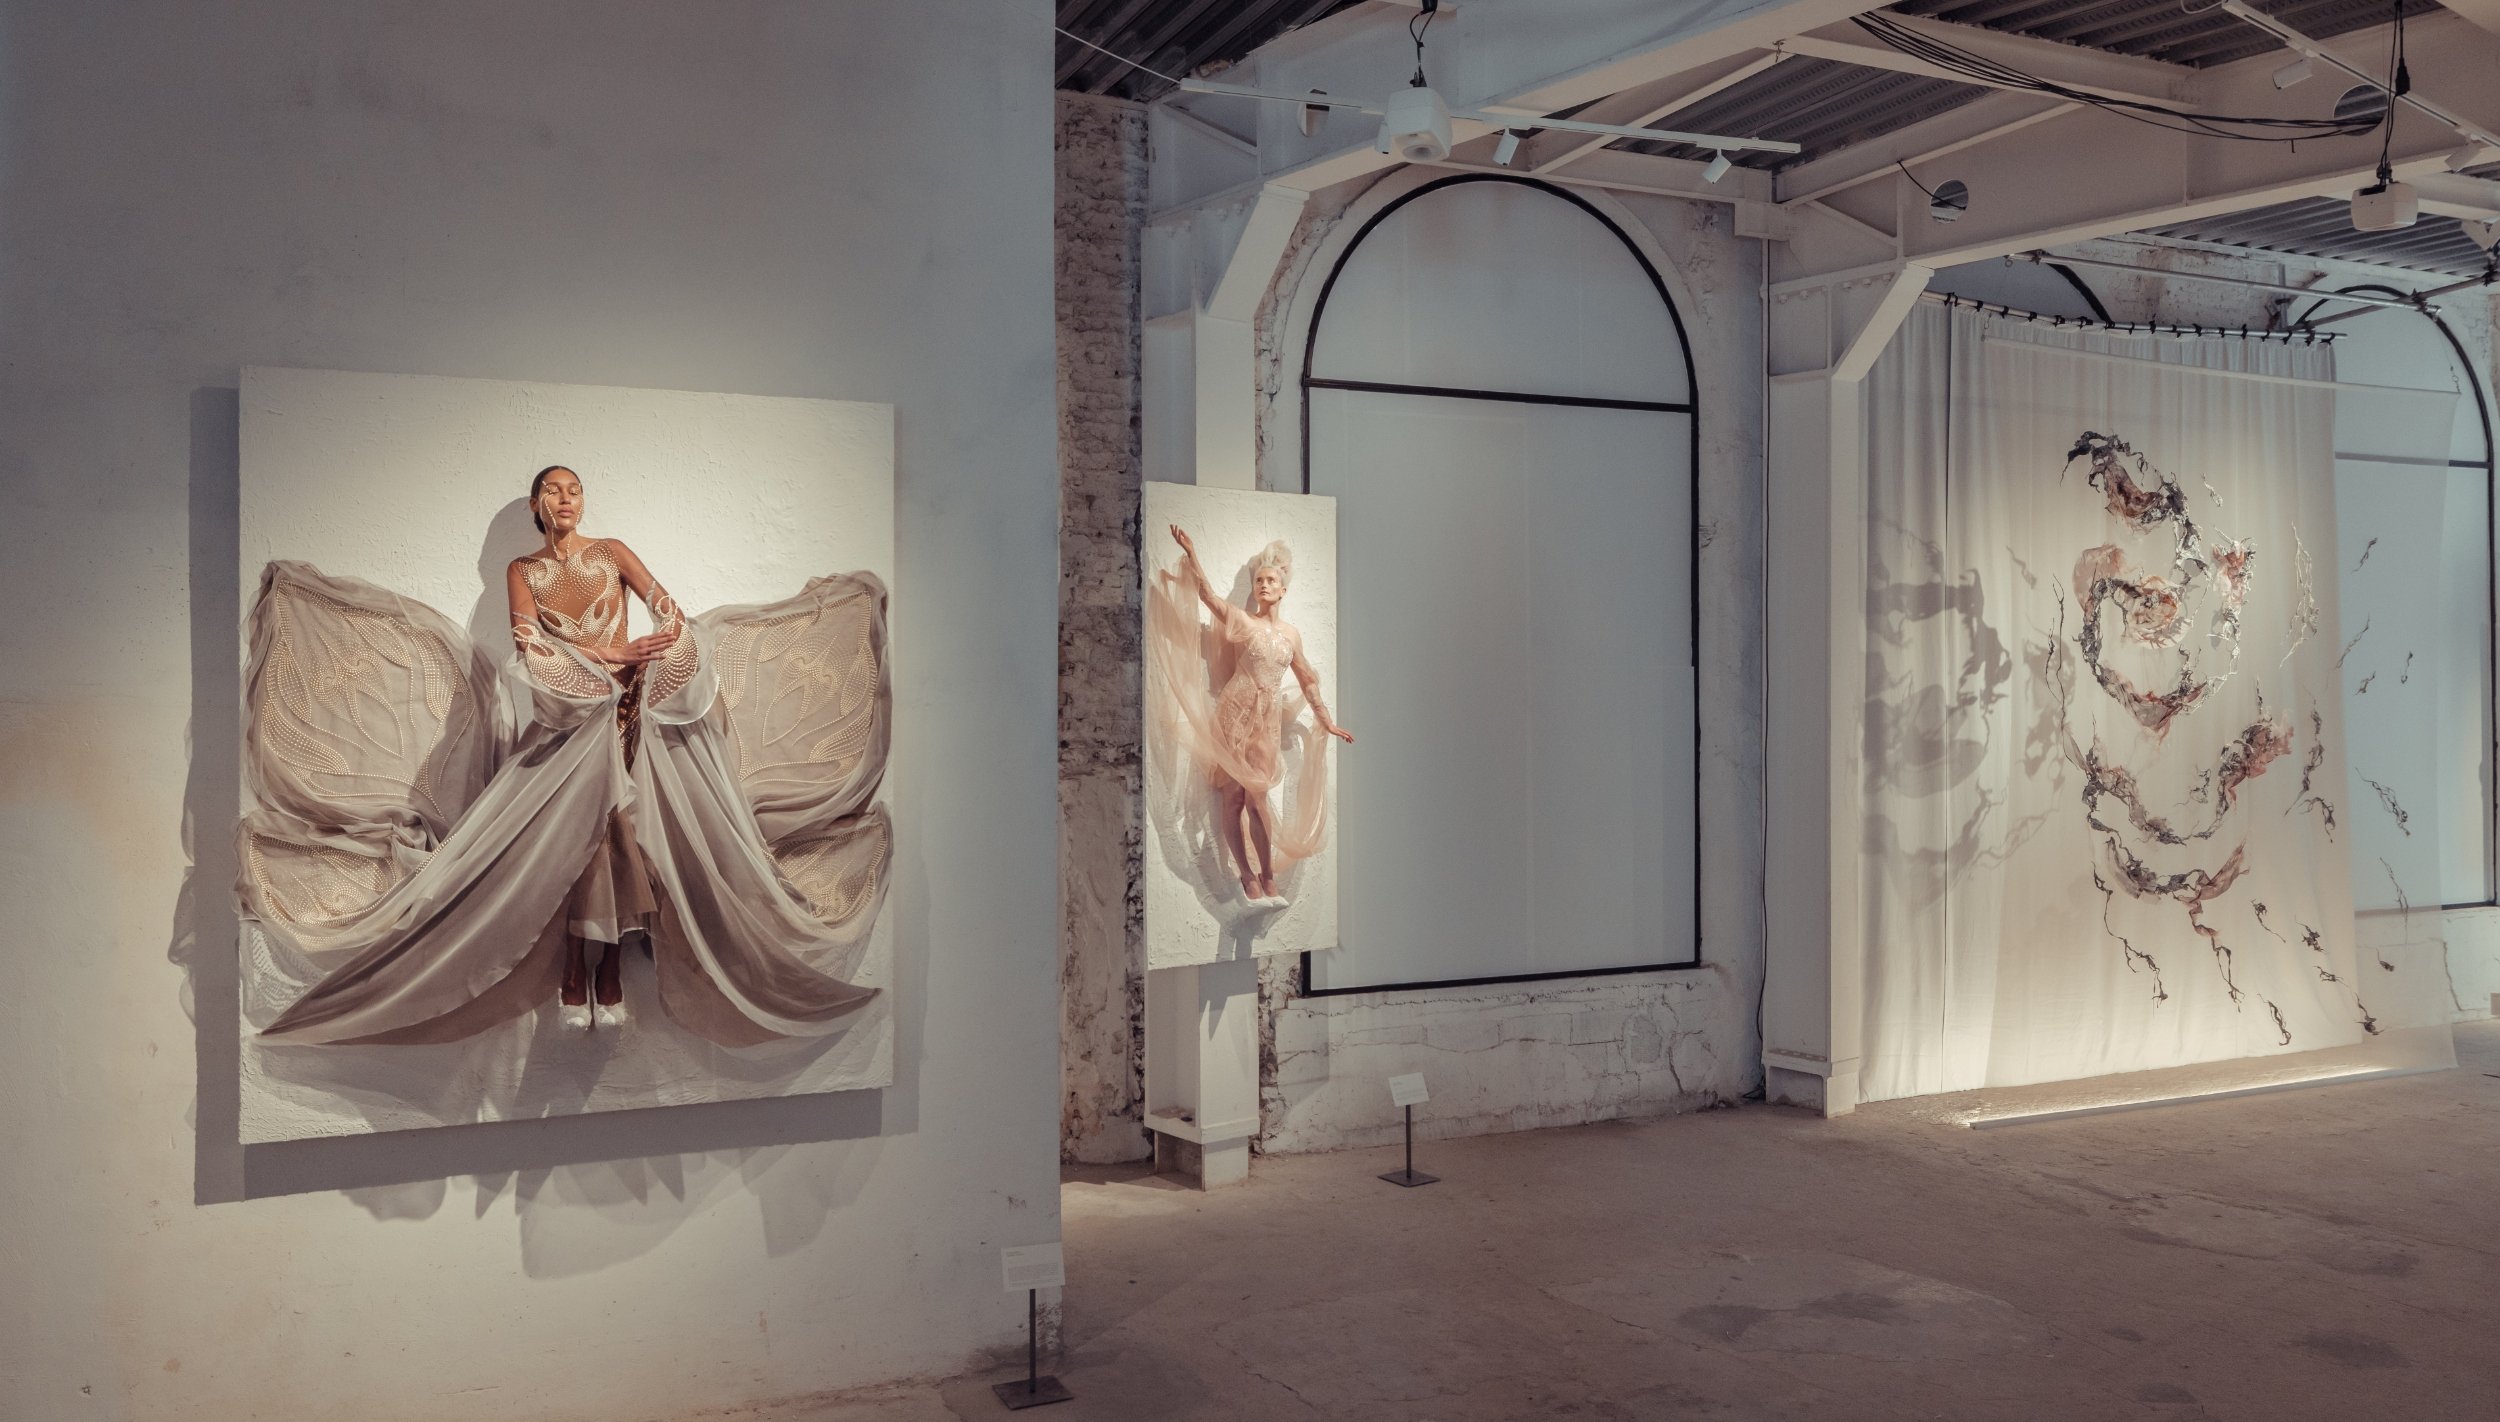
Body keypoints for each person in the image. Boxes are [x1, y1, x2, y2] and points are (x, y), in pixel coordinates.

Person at [240, 464, 885, 1047]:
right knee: (578, 831)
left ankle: (608, 968)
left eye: (576, 490)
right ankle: (583, 969)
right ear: (536, 505)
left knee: (627, 827)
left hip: (631, 709)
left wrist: (661, 644)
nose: (567, 499)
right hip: (571, 712)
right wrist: (607, 657)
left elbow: (668, 610)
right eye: (554, 490)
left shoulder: (613, 553)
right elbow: (527, 641)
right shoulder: (523, 570)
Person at [1163, 525, 1352, 905]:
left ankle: (1268, 874)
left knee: (1258, 800)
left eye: (1270, 580)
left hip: (1265, 722)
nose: (1263, 585)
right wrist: (1192, 552)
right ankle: (1247, 876)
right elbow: (1206, 596)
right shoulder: (1243, 621)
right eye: (1259, 580)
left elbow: (1308, 681)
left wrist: (1326, 720)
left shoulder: (1291, 635)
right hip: (1234, 713)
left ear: (1283, 589)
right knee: (1233, 798)